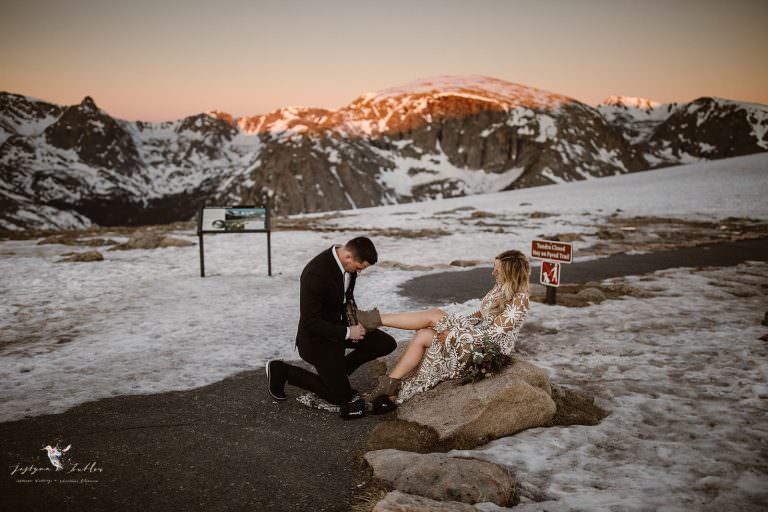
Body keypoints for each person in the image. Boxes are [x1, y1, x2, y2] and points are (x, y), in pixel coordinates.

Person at [357, 250, 530, 403]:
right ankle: (389, 384)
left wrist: (453, 334)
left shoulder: (520, 300)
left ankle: (371, 319)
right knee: (425, 332)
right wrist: (456, 324)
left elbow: (492, 337)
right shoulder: (501, 287)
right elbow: (480, 315)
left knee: (433, 316)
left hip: (485, 351)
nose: (493, 273)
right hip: (474, 338)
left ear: (509, 273)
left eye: (497, 270)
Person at [266, 237, 397, 417]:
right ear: (349, 256)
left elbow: (347, 297)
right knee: (339, 396)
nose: (360, 272)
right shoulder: (315, 274)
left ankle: (335, 376)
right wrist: (348, 332)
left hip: (340, 327)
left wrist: (354, 321)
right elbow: (310, 322)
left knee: (385, 343)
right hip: (317, 339)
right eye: (360, 268)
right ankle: (282, 370)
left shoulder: (348, 267)